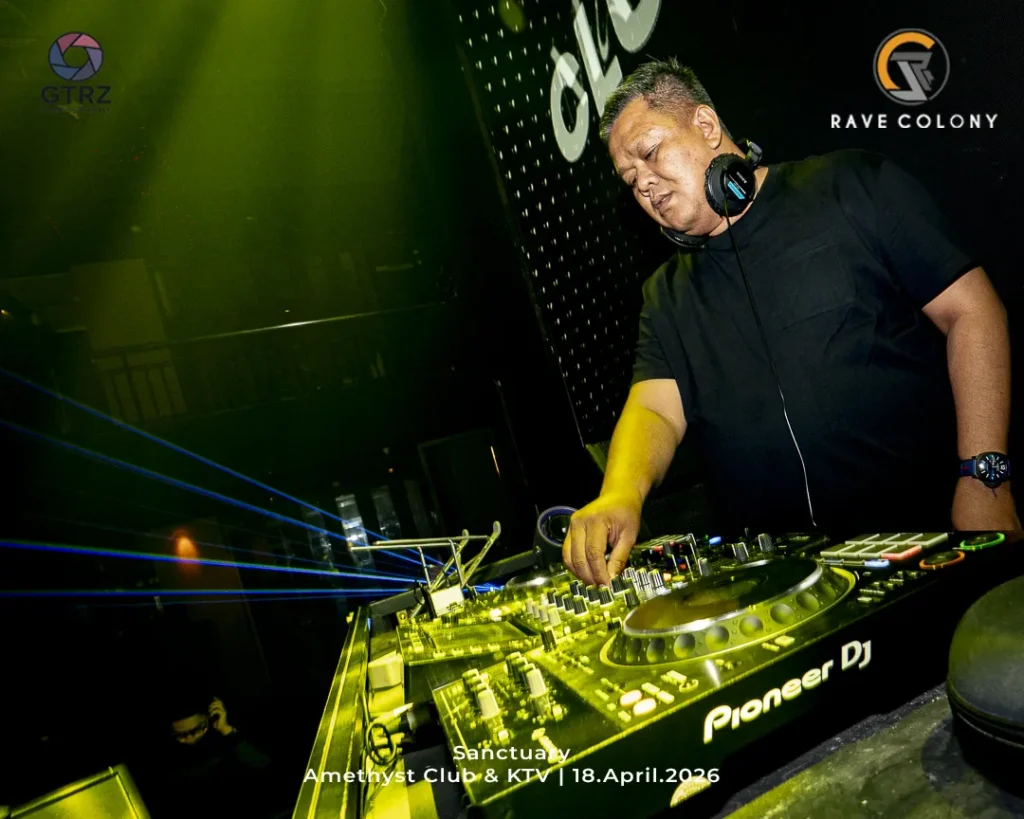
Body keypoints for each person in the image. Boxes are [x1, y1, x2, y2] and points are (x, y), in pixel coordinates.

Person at [563, 58, 1018, 586]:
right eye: (630, 178)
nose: (644, 184)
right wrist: (620, 491)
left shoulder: (848, 185)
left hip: (931, 538)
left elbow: (973, 311)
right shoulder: (666, 296)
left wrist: (985, 478)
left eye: (650, 153)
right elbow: (655, 412)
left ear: (706, 126)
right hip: (785, 589)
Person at [146, 692, 275, 818]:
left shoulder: (227, 736)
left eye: (198, 729)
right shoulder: (167, 757)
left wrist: (227, 731)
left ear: (210, 717)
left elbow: (267, 767)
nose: (191, 738)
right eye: (181, 735)